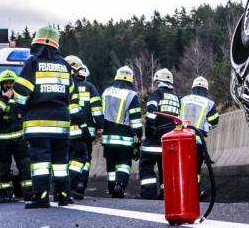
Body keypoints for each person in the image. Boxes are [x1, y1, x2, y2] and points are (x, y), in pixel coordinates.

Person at [13, 26, 79, 208]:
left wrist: (20, 107)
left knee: (40, 162)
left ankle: (41, 197)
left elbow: (21, 89)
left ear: (36, 41)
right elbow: (73, 94)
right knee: (60, 162)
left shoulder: (32, 62)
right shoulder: (65, 65)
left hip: (38, 122)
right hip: (61, 122)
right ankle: (64, 195)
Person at [98, 66, 142, 198]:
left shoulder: (106, 92)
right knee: (123, 163)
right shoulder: (131, 95)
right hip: (125, 138)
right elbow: (135, 120)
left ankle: (111, 186)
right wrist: (138, 137)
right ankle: (120, 185)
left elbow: (100, 113)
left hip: (108, 137)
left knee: (111, 162)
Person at [0, 70, 29, 202]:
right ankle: (5, 195)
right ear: (1, 84)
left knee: (25, 166)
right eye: (6, 83)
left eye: (11, 82)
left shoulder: (20, 99)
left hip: (19, 139)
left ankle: (29, 193)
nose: (9, 85)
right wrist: (5, 98)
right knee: (4, 169)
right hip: (2, 141)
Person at [139, 69, 180, 200]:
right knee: (166, 169)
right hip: (170, 140)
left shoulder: (157, 93)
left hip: (155, 138)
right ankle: (165, 193)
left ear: (159, 81)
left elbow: (151, 110)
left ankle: (148, 194)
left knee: (146, 165)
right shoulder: (176, 97)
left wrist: (149, 127)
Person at [65, 56, 101, 200]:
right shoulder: (90, 87)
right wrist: (100, 125)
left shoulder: (64, 85)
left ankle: (64, 186)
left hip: (64, 131)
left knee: (67, 159)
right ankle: (80, 184)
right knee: (84, 159)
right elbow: (97, 110)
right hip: (85, 131)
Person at [179, 76, 220, 188]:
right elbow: (214, 122)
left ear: (193, 87)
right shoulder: (209, 103)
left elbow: (176, 117)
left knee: (181, 167)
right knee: (195, 168)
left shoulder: (183, 100)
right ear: (206, 89)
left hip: (181, 140)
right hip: (197, 142)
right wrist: (206, 126)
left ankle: (180, 190)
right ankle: (194, 192)